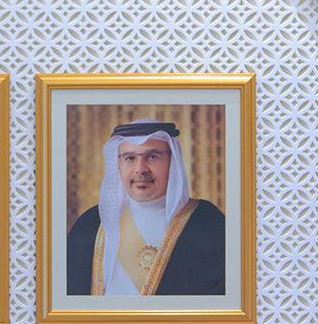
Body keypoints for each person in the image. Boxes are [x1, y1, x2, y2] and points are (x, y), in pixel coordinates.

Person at [66, 119, 225, 296]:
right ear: (118, 165)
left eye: (152, 157)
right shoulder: (91, 223)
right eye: (130, 158)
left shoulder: (207, 223)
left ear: (172, 162)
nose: (140, 169)